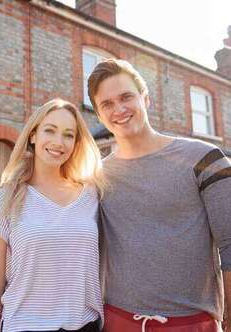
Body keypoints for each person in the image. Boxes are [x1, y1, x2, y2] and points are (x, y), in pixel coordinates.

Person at [87, 58, 231, 332]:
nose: (119, 109)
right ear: (99, 114)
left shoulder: (205, 159)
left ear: (146, 99)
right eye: (107, 104)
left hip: (192, 323)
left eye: (126, 97)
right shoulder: (96, 176)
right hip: (117, 322)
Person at [0, 98, 107, 332]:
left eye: (69, 135)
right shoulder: (5, 199)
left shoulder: (92, 196)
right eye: (50, 130)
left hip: (85, 325)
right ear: (33, 135)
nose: (59, 142)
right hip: (25, 326)